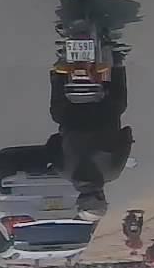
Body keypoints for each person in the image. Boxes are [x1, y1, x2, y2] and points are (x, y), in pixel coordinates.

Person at [47, 66, 132, 221]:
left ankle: (118, 64)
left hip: (106, 111)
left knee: (120, 103)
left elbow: (126, 135)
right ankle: (58, 74)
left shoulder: (113, 172)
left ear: (100, 197)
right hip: (70, 114)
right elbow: (53, 142)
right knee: (56, 112)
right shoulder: (63, 171)